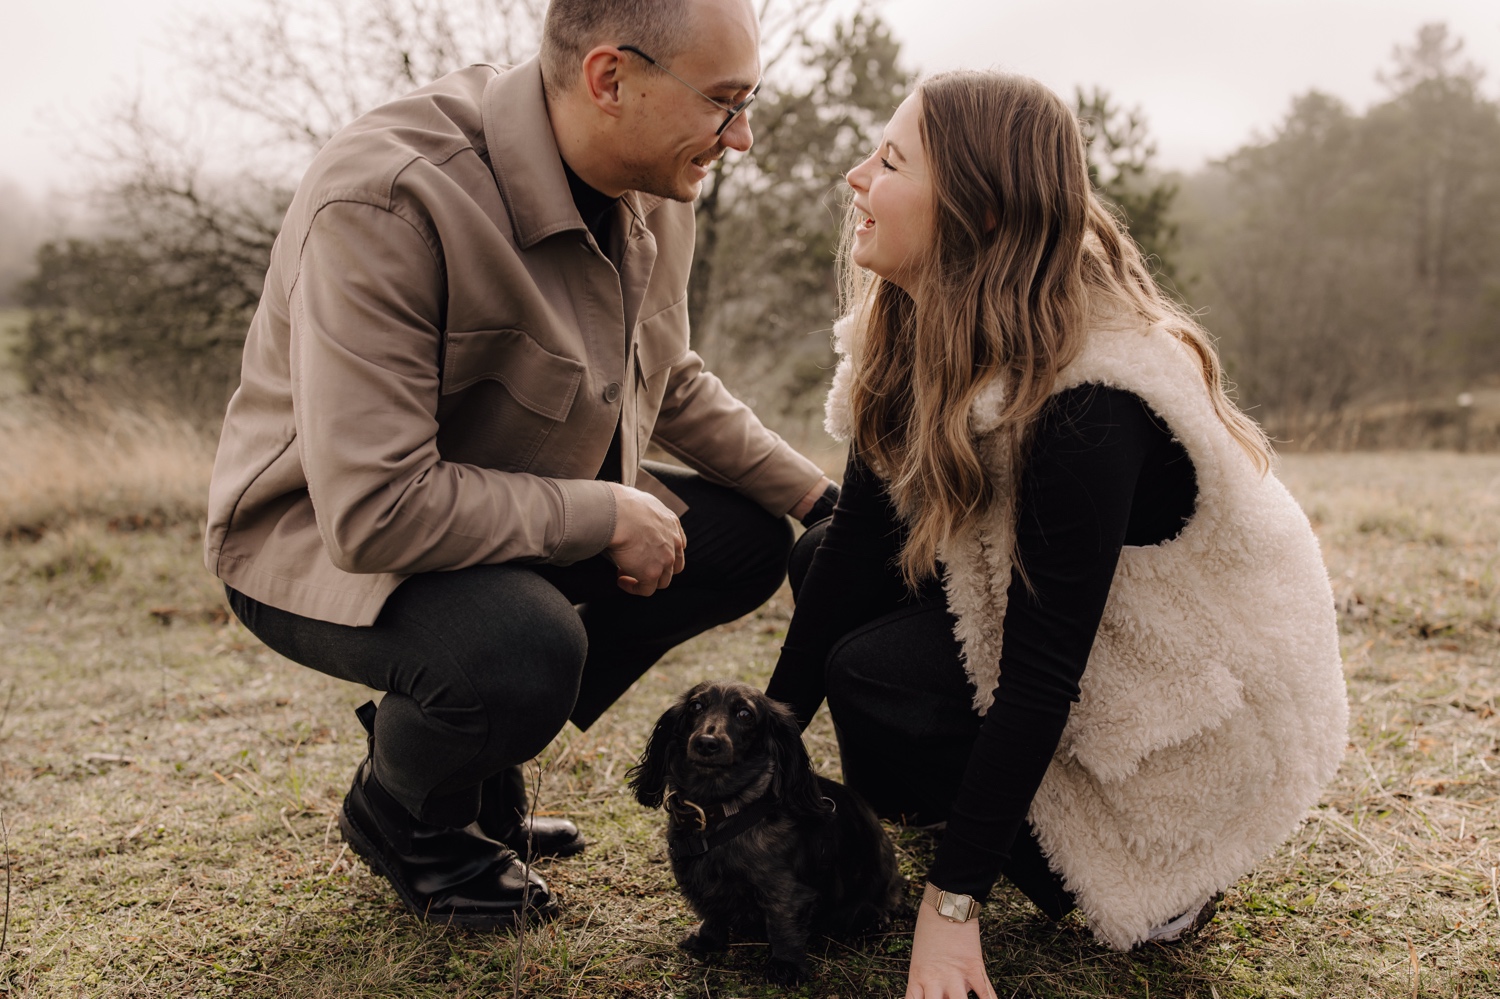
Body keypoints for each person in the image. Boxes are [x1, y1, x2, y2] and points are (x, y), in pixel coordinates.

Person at [204, 0, 837, 929]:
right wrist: (606, 513)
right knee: (524, 648)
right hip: (321, 537)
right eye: (725, 103)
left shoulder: (654, 183)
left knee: (740, 538)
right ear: (611, 80)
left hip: (496, 515)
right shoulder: (390, 196)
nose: (740, 137)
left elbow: (670, 378)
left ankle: (469, 754)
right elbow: (375, 509)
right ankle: (407, 812)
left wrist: (825, 499)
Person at [764, 71, 1348, 998]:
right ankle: (951, 809)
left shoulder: (1092, 403)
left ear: (979, 216)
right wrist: (766, 755)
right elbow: (852, 548)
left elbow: (1043, 671)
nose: (855, 177)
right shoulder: (920, 323)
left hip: (1192, 718)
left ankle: (1152, 879)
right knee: (821, 563)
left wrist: (950, 908)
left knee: (877, 673)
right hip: (1079, 633)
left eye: (889, 160)